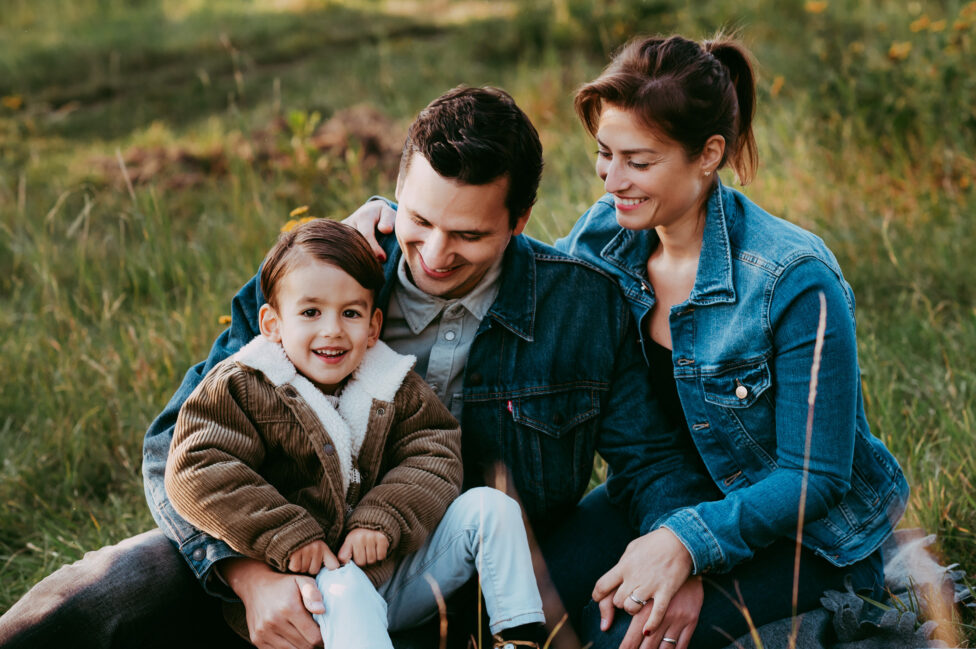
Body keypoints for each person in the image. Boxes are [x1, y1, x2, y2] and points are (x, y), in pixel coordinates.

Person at [0, 86, 671, 649]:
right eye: (420, 220)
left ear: (519, 219)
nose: (435, 253)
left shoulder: (582, 305)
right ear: (397, 187)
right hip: (300, 560)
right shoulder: (318, 277)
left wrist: (682, 549)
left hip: (490, 572)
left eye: (469, 235)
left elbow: (649, 464)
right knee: (121, 583)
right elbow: (176, 440)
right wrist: (246, 575)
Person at [550, 35, 910, 649]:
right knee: (526, 593)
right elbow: (518, 278)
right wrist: (382, 221)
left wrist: (688, 546)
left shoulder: (793, 281)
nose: (612, 180)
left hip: (812, 536)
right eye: (603, 154)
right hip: (666, 490)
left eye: (638, 161)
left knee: (614, 637)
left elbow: (814, 478)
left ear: (709, 154)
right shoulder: (608, 236)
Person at [164, 217, 547, 648]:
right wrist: (288, 536)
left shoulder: (393, 384)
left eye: (350, 313)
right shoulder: (243, 384)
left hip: (389, 576)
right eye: (310, 312)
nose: (332, 330)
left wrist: (382, 520)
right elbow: (197, 468)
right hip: (305, 595)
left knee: (489, 506)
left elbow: (434, 455)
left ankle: (520, 637)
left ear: (372, 327)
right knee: (343, 589)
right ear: (271, 323)